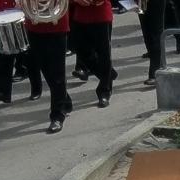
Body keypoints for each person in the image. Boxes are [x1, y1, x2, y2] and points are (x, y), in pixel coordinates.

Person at [23, 0, 72, 133]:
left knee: (57, 72)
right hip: (34, 23)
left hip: (57, 23)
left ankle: (57, 116)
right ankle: (64, 99)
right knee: (46, 70)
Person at [67, 0, 116, 106]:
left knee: (104, 54)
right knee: (80, 51)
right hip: (80, 15)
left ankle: (104, 91)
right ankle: (108, 75)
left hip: (101, 13)